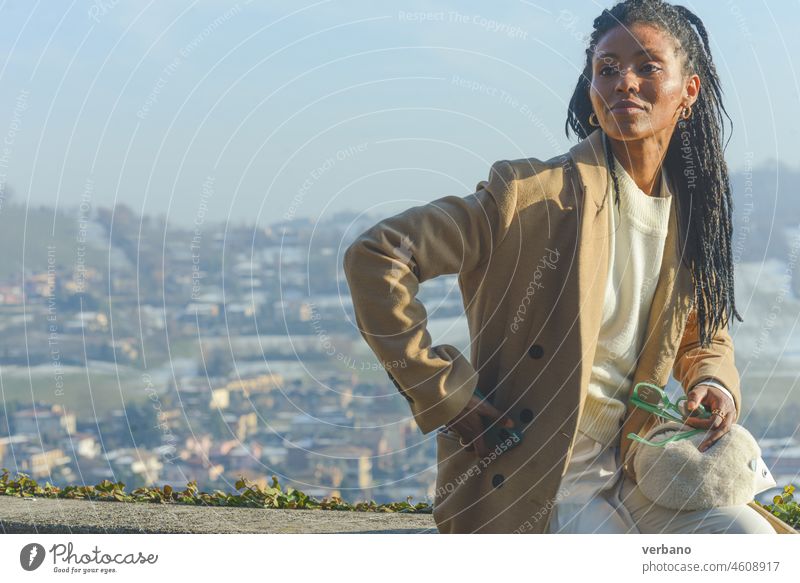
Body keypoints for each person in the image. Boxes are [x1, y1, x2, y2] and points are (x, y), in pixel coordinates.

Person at [343, 0, 790, 534]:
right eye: (608, 68)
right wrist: (442, 392)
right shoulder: (529, 197)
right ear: (592, 88)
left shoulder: (690, 213)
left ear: (688, 92)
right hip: (536, 483)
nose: (624, 81)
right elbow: (377, 255)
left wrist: (713, 381)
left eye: (648, 67)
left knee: (753, 543)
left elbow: (700, 332)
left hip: (635, 470)